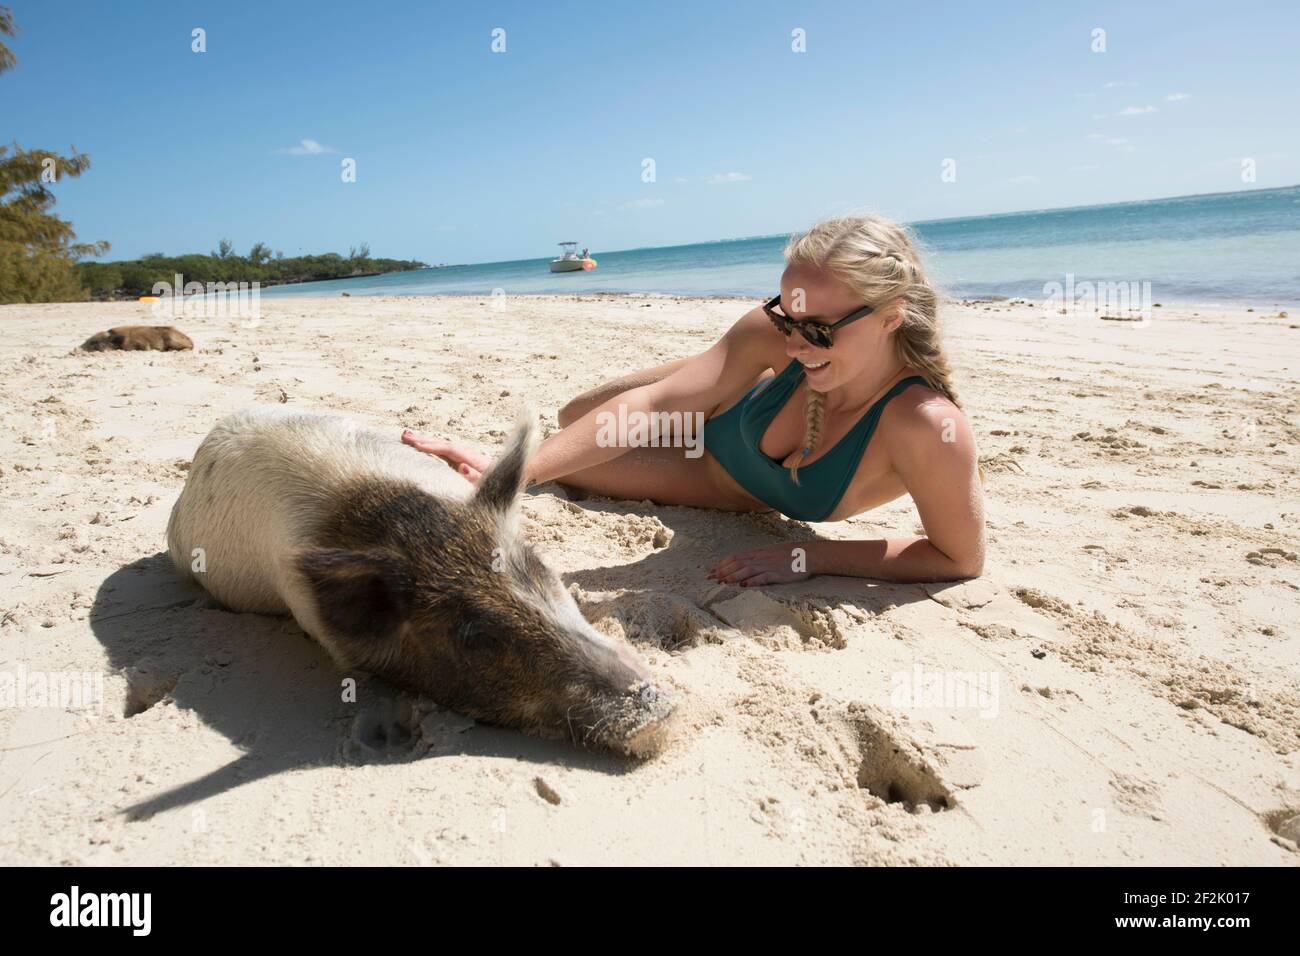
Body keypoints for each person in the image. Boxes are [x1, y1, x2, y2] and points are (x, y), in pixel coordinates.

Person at [403, 215, 984, 585]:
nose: (798, 341)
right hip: (723, 413)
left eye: (820, 329)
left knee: (584, 439)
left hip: (716, 480)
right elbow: (654, 406)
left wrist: (813, 556)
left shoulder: (926, 427)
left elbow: (957, 558)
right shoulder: (775, 338)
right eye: (787, 316)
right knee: (576, 418)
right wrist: (511, 472)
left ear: (891, 317)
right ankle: (719, 378)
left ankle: (717, 379)